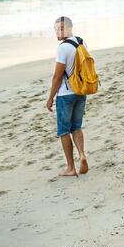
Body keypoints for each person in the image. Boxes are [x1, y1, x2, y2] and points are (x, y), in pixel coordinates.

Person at [46, 16, 89, 177]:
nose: (58, 31)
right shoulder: (81, 42)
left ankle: (71, 168)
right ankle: (82, 155)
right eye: (56, 28)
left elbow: (57, 77)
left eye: (61, 28)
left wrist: (50, 97)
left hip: (65, 95)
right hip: (81, 92)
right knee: (76, 127)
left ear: (70, 28)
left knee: (64, 131)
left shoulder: (63, 48)